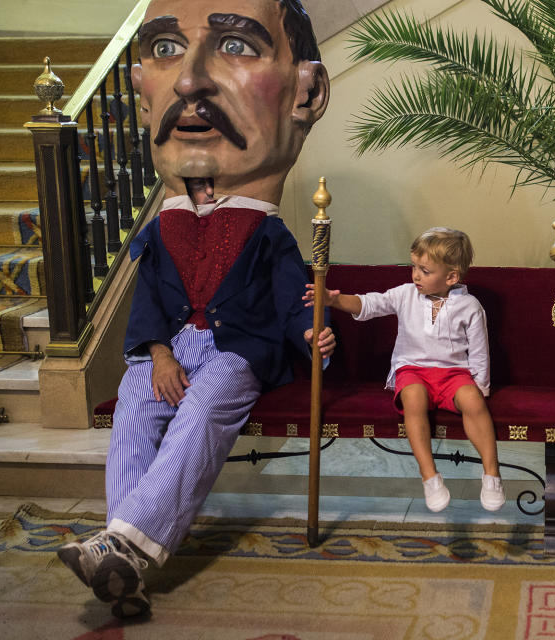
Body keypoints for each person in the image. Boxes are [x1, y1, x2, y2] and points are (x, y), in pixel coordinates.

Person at [57, 0, 334, 618]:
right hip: (171, 349)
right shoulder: (161, 232)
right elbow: (150, 297)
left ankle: (122, 544)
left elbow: (295, 299)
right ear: (143, 94)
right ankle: (122, 557)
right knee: (134, 405)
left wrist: (314, 331)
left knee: (203, 409)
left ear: (307, 93)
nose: (188, 80)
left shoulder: (269, 233)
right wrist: (155, 353)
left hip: (239, 354)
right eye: (163, 49)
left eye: (237, 45)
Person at [305, 228, 505, 513]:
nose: (416, 275)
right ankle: (430, 477)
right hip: (413, 370)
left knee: (473, 401)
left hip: (454, 373)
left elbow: (479, 352)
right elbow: (370, 303)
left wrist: (480, 387)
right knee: (413, 398)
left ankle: (492, 475)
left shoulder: (470, 306)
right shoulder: (405, 294)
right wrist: (334, 299)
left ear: (451, 277)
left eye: (424, 270)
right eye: (413, 266)